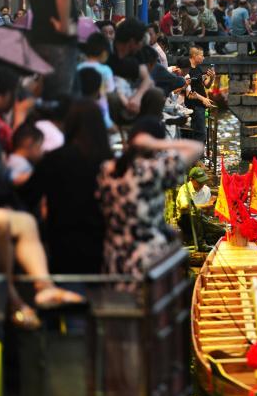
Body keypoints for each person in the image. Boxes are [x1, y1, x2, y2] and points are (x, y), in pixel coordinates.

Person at [97, 117, 202, 280]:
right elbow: (196, 147)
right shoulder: (151, 171)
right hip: (149, 260)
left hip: (114, 259)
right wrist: (156, 143)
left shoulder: (106, 170)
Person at [20, 100, 112, 274]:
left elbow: (27, 195)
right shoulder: (110, 163)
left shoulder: (54, 159)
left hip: (63, 243)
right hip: (103, 243)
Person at [27, 0, 78, 100]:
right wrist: (65, 26)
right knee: (59, 103)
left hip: (41, 35)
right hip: (58, 43)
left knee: (43, 100)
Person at [77, 32, 115, 128]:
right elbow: (110, 91)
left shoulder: (79, 68)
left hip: (81, 111)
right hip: (101, 112)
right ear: (104, 53)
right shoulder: (106, 70)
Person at [176, 166, 215, 244]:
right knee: (194, 215)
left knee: (221, 232)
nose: (202, 184)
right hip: (186, 221)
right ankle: (199, 243)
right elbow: (184, 206)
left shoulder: (206, 190)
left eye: (203, 181)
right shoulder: (184, 189)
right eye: (199, 182)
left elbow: (206, 212)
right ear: (191, 179)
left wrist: (211, 205)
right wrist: (205, 206)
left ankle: (202, 240)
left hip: (201, 220)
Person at [185, 47, 215, 142]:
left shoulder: (198, 67)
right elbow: (189, 92)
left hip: (201, 106)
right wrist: (203, 99)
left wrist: (212, 77)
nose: (203, 58)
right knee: (200, 134)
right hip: (194, 105)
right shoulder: (187, 69)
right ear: (194, 56)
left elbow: (206, 85)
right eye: (202, 55)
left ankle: (199, 154)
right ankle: (198, 155)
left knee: (201, 133)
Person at [7, 122, 44, 186]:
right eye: (39, 146)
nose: (41, 151)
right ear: (28, 142)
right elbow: (13, 178)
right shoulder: (17, 161)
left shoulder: (14, 159)